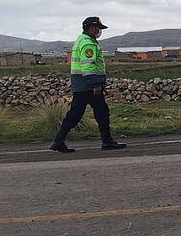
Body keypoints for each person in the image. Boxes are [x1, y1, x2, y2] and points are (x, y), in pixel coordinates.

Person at [50, 17, 126, 152]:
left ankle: (58, 141)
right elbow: (88, 66)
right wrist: (95, 84)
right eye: (97, 28)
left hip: (81, 85)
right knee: (100, 112)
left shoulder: (81, 40)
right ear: (91, 28)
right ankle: (107, 141)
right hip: (88, 85)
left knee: (76, 114)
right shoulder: (88, 44)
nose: (99, 31)